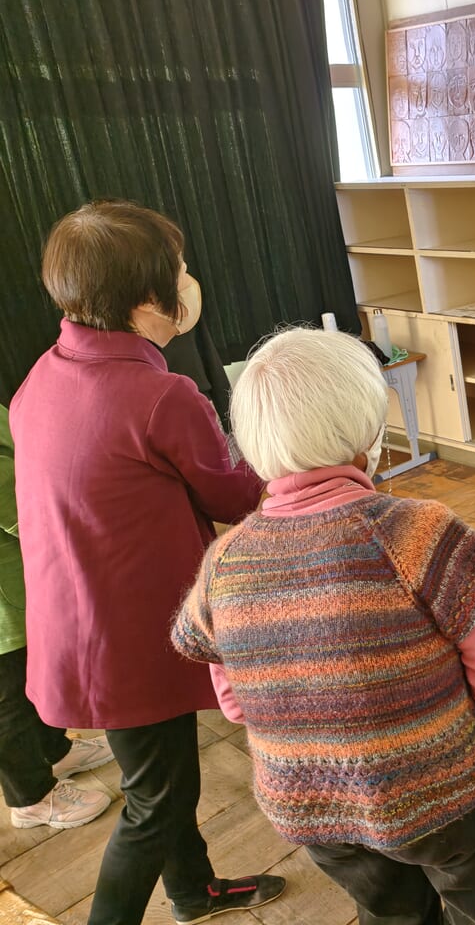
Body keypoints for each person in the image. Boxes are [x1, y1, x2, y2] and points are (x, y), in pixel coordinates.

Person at [170, 327, 475, 925]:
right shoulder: (418, 534)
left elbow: (236, 707)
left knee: (391, 916)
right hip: (453, 797)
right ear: (367, 433)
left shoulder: (223, 563)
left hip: (315, 810)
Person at [9, 200, 284, 925]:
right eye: (179, 271)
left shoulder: (42, 376)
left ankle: (193, 892)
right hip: (129, 639)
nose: (188, 282)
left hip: (77, 625)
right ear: (145, 299)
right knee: (156, 803)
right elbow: (236, 495)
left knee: (156, 783)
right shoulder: (162, 396)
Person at [2, 404, 115, 830]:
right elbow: (9, 494)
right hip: (4, 585)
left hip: (16, 573)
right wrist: (50, 524)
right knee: (8, 695)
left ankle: (54, 749)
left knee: (28, 671)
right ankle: (30, 797)